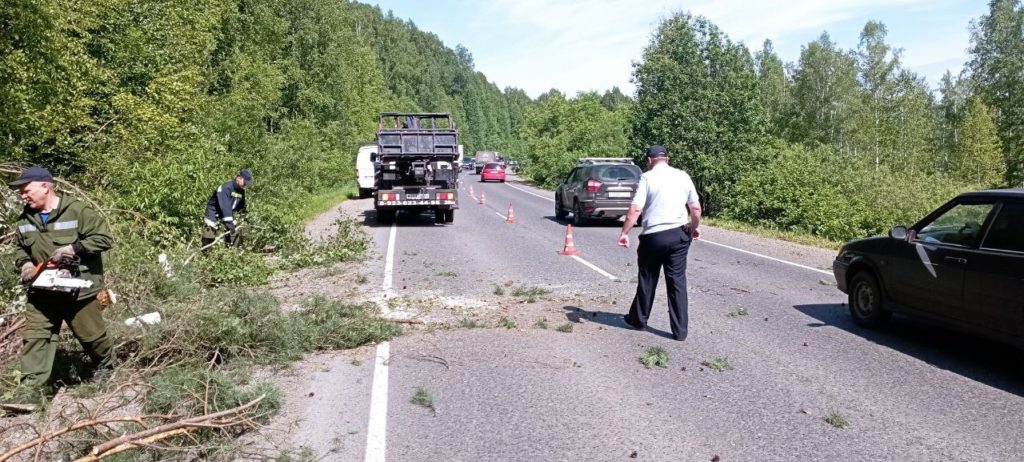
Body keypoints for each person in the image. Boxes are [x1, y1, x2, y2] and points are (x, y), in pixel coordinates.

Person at [8, 166, 115, 396]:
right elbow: (19, 249)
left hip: (78, 289)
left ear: (46, 186)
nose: (22, 195)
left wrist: (74, 248)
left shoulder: (76, 211)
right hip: (42, 292)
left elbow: (104, 238)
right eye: (20, 191)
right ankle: (30, 393)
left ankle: (106, 367)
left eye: (26, 189)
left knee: (91, 336)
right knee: (36, 338)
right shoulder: (25, 219)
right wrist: (25, 264)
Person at [617, 145, 702, 341]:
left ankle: (639, 320)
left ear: (649, 161)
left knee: (648, 278)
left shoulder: (648, 177)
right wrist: (694, 226)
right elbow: (695, 208)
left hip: (654, 236)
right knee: (677, 282)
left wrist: (625, 232)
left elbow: (635, 209)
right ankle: (680, 331)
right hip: (679, 234)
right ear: (667, 159)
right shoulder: (683, 176)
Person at [202, 169, 251, 248]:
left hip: (227, 214)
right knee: (209, 236)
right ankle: (205, 255)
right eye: (244, 183)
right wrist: (230, 225)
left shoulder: (241, 192)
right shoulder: (225, 188)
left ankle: (230, 253)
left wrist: (245, 219)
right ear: (239, 178)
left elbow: (241, 207)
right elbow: (225, 207)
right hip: (213, 214)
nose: (245, 185)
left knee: (233, 236)